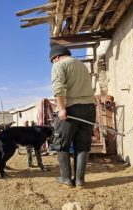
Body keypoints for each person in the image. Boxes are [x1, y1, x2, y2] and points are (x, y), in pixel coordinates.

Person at [50, 44, 96, 188]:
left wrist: (62, 108)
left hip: (70, 109)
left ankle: (66, 179)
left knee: (61, 144)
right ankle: (80, 181)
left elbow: (59, 88)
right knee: (82, 146)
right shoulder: (82, 65)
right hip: (89, 109)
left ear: (56, 57)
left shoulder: (59, 65)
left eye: (52, 61)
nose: (53, 63)